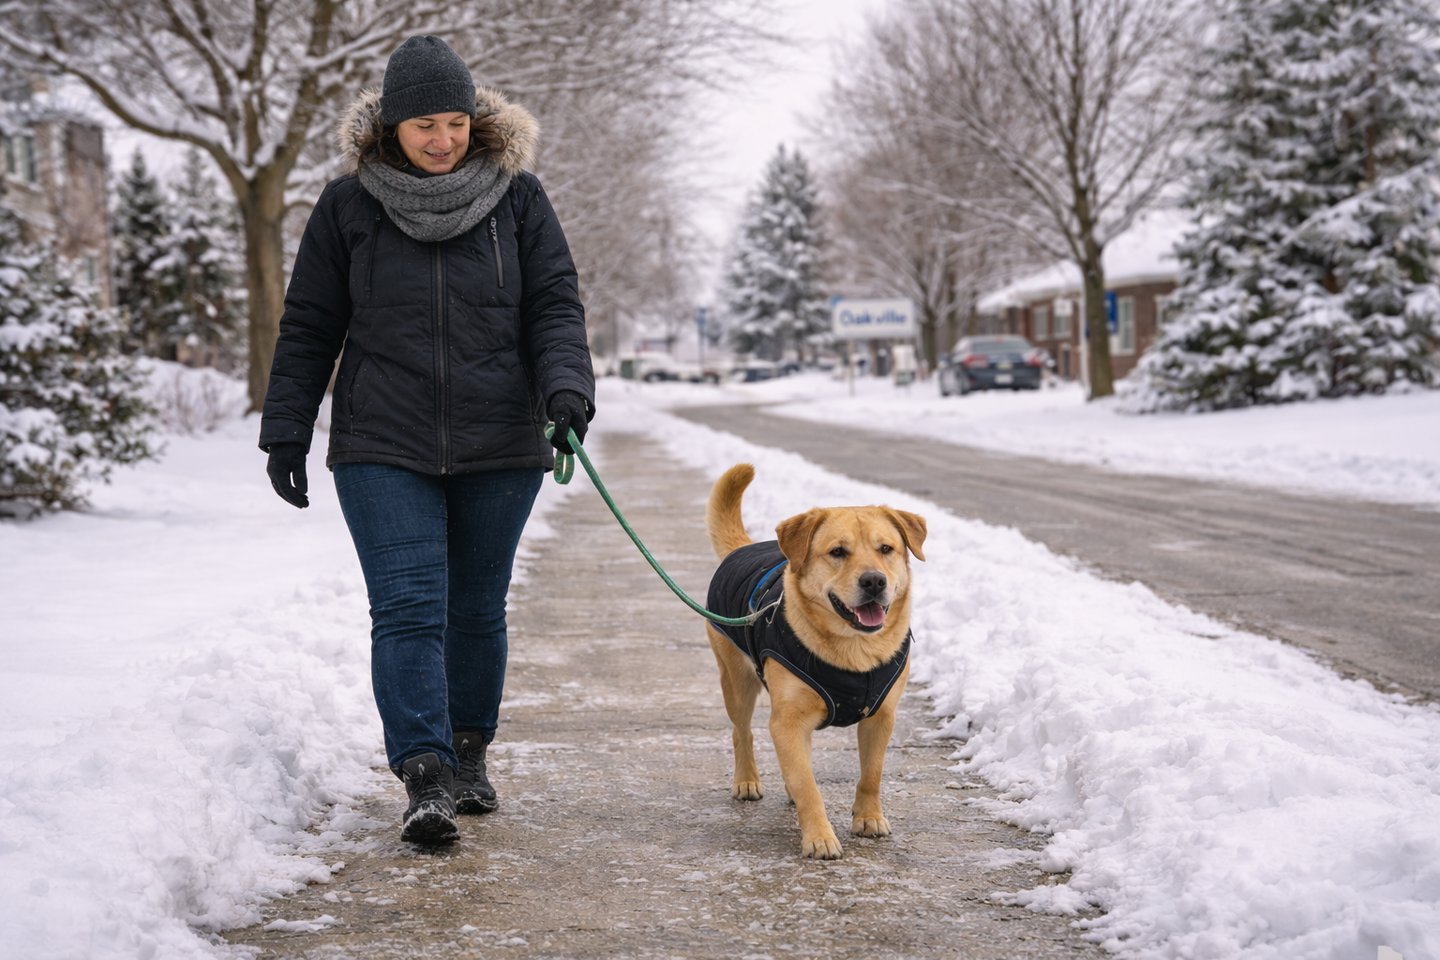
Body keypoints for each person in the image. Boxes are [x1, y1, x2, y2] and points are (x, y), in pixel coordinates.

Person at [258, 34, 595, 845]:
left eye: (454, 122)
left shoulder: (519, 197)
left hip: (499, 439)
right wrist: (286, 429)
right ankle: (425, 773)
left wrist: (567, 391)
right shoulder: (347, 207)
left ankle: (471, 751)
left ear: (476, 121)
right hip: (383, 440)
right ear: (390, 127)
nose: (441, 139)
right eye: (422, 126)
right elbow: (310, 325)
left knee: (475, 609)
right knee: (407, 608)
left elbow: (553, 303)